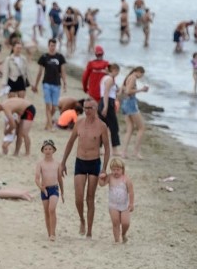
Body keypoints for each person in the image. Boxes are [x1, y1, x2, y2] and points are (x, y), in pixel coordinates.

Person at [60, 98, 110, 238]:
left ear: (96, 108)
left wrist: (104, 168)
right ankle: (81, 220)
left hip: (94, 162)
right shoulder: (79, 123)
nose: (87, 111)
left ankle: (89, 230)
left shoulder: (102, 126)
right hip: (80, 161)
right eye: (85, 108)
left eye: (90, 108)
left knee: (90, 198)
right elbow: (70, 143)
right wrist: (63, 162)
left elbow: (107, 149)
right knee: (78, 198)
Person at [31, 39, 66, 131]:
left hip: (57, 84)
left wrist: (65, 83)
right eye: (51, 45)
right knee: (48, 105)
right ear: (48, 46)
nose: (52, 47)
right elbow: (40, 72)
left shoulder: (60, 57)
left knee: (54, 107)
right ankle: (50, 126)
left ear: (56, 46)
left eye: (54, 45)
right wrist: (35, 85)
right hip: (46, 83)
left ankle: (47, 124)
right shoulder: (44, 57)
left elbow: (62, 71)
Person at [99, 157, 134, 243]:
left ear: (122, 169)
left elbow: (131, 192)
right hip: (113, 205)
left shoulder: (126, 179)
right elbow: (102, 184)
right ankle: (117, 240)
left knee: (126, 223)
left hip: (124, 205)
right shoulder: (110, 177)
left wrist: (131, 203)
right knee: (115, 223)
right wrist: (100, 178)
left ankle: (124, 234)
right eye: (113, 170)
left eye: (118, 170)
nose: (115, 172)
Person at [35, 140, 63, 241]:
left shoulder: (57, 164)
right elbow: (37, 178)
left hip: (54, 189)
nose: (48, 151)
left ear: (54, 150)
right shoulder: (40, 164)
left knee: (52, 209)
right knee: (46, 212)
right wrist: (41, 187)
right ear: (42, 150)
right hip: (44, 190)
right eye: (46, 149)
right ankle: (49, 232)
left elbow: (60, 179)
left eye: (50, 149)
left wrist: (62, 192)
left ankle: (53, 233)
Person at [120, 66, 149, 159]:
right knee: (141, 128)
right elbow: (128, 91)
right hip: (131, 103)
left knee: (130, 128)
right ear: (138, 72)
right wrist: (141, 90)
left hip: (125, 103)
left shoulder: (128, 77)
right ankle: (136, 152)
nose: (141, 76)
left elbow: (123, 90)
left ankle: (124, 152)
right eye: (141, 74)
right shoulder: (133, 77)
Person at [97, 63, 121, 155]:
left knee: (102, 127)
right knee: (114, 126)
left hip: (103, 101)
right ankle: (115, 149)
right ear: (114, 70)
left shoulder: (105, 78)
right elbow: (106, 92)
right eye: (118, 72)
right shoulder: (110, 79)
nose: (118, 74)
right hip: (107, 102)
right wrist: (106, 106)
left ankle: (98, 148)